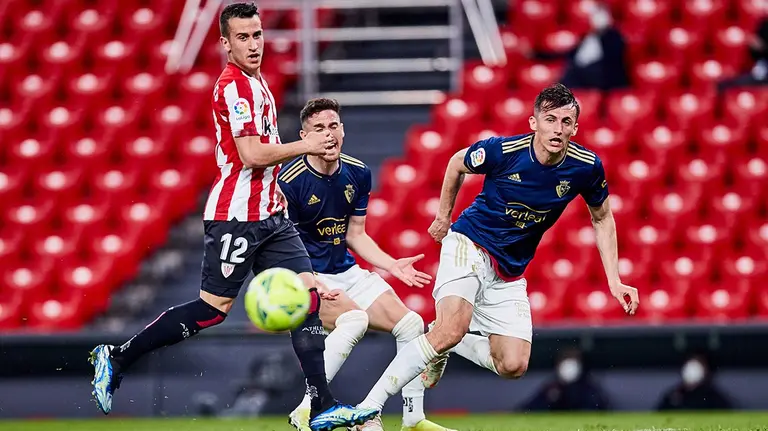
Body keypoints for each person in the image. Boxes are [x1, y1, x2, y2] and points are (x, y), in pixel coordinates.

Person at [88, 4, 378, 430]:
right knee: (212, 310)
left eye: (257, 35)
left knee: (308, 297)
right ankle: (117, 356)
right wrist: (309, 145)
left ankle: (323, 406)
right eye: (242, 37)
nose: (253, 44)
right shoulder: (233, 88)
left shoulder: (258, 82)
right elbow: (251, 155)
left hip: (272, 212)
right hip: (236, 215)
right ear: (225, 43)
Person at [354, 83, 640, 413]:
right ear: (534, 123)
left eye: (565, 122)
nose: (557, 129)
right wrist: (443, 217)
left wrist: (614, 280)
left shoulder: (586, 167)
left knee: (513, 364)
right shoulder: (503, 151)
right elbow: (456, 162)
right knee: (452, 329)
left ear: (575, 128)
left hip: (509, 271)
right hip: (470, 244)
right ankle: (369, 408)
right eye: (550, 119)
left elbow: (602, 218)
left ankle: (446, 341)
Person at [279, 98, 455, 431]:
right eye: (318, 129)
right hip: (305, 275)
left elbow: (355, 235)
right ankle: (307, 410)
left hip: (346, 270)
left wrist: (392, 265)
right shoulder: (289, 181)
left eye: (333, 126)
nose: (328, 135)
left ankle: (412, 419)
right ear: (304, 136)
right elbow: (281, 245)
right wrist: (308, 282)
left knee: (412, 325)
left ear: (343, 130)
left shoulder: (358, 172)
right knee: (354, 320)